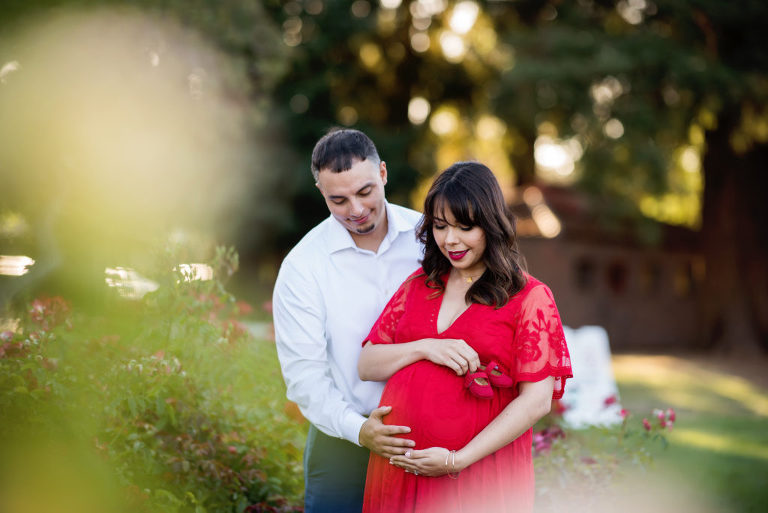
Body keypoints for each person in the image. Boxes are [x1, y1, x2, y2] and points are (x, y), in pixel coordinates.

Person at [358, 161, 573, 513]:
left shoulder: (529, 297)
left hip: (479, 474)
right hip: (401, 470)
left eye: (465, 227)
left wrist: (456, 460)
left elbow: (536, 401)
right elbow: (367, 364)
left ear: (491, 225)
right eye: (440, 226)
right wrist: (426, 347)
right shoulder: (420, 286)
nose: (450, 240)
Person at [272, 128, 424, 513]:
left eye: (365, 191)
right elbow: (305, 379)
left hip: (428, 434)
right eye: (338, 200)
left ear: (384, 174)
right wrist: (360, 431)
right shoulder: (303, 266)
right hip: (342, 440)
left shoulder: (430, 240)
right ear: (321, 193)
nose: (355, 210)